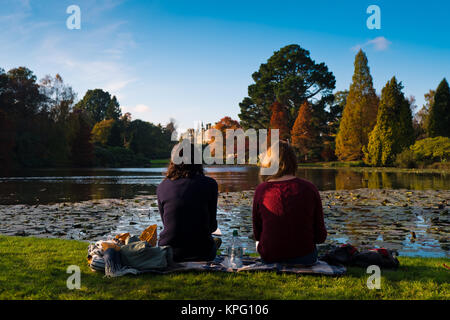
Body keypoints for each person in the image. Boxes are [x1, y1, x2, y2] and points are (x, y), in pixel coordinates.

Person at [252, 141, 327, 265]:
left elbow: (257, 234)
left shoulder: (262, 190)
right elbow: (320, 236)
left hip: (270, 256)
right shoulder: (309, 188)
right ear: (293, 161)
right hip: (305, 257)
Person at [157, 143, 219, 262]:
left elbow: (167, 223)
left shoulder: (162, 186)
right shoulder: (210, 184)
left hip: (169, 252)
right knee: (212, 243)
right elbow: (212, 226)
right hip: (202, 252)